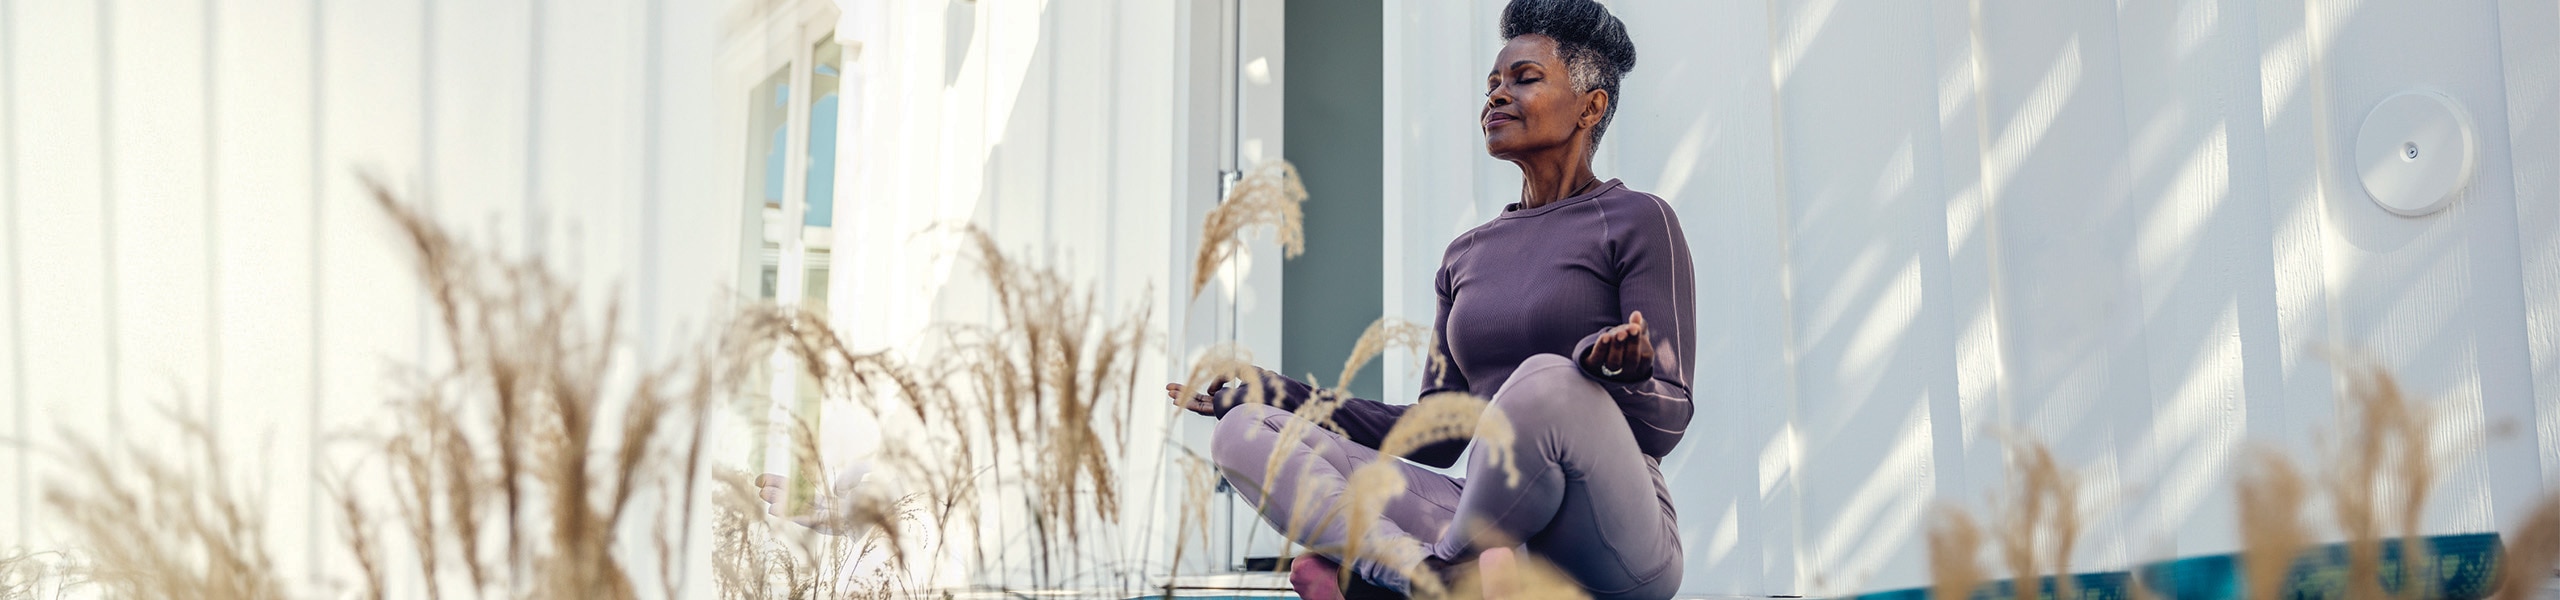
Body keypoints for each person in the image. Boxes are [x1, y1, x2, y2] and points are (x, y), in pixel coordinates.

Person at [1164, 1, 1694, 598]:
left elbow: (1668, 420)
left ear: (1589, 107)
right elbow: (1436, 434)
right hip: (1491, 525)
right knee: (1244, 432)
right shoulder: (1466, 255)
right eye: (1492, 83)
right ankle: (1415, 572)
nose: (1495, 96)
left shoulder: (1638, 220)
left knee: (1548, 379)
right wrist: (1275, 392)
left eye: (1524, 79)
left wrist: (1622, 378)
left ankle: (1431, 568)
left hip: (1611, 539)